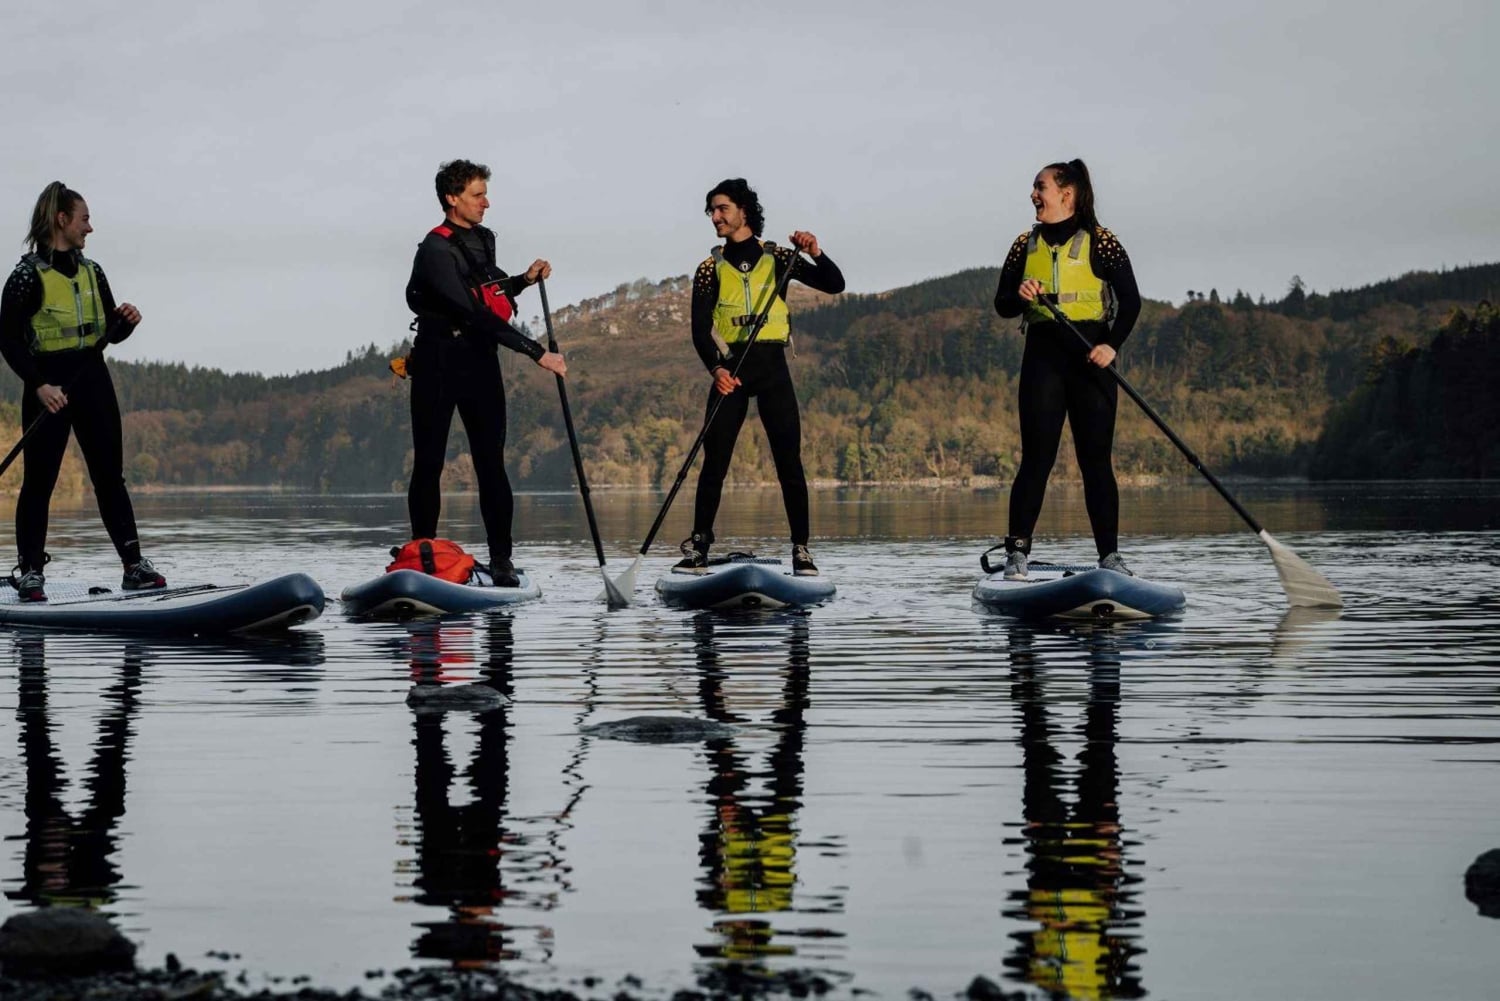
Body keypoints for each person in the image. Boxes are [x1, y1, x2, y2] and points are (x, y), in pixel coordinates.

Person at [0, 182, 167, 603]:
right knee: (39, 481)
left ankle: (134, 567)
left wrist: (124, 321)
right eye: (85, 218)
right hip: (49, 386)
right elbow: (8, 339)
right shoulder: (24, 276)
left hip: (92, 380)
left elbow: (108, 333)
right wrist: (38, 385)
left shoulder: (94, 271)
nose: (90, 228)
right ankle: (31, 572)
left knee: (110, 477)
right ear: (62, 220)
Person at [404, 159, 566, 588]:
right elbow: (471, 311)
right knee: (429, 463)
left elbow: (486, 293)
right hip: (438, 363)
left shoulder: (482, 241)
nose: (486, 203)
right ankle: (423, 556)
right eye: (477, 195)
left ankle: (502, 561)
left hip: (480, 364)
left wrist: (524, 281)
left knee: (492, 463)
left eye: (485, 194)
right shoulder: (433, 250)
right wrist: (536, 352)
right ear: (451, 198)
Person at [676, 178, 845, 576]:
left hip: (773, 371)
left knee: (789, 461)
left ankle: (801, 550)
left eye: (722, 209)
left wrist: (817, 252)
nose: (715, 217)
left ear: (743, 211)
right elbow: (700, 331)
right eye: (711, 211)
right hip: (730, 373)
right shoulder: (708, 269)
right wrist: (716, 369)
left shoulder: (781, 258)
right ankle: (699, 547)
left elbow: (835, 284)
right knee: (714, 462)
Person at [989, 159, 1142, 580]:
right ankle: (1017, 554)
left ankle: (1110, 557)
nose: (1033, 194)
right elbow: (1002, 303)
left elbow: (1131, 302)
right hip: (1042, 359)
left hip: (1090, 357)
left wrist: (1111, 345)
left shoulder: (1101, 240)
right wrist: (1021, 296)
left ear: (1066, 193)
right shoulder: (1024, 243)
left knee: (1096, 460)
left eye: (1040, 186)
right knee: (1036, 459)